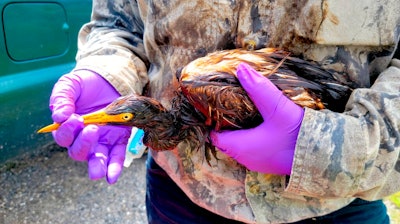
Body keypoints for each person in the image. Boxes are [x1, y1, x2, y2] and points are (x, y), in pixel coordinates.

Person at [48, 1, 400, 223]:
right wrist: (109, 72)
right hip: (179, 199)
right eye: (123, 117)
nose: (114, 117)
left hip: (334, 205)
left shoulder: (204, 93)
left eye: (124, 117)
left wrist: (323, 146)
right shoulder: (184, 103)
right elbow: (120, 23)